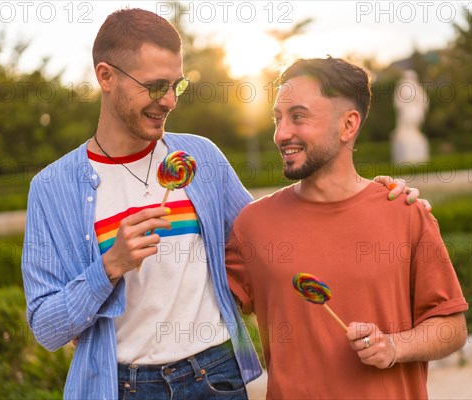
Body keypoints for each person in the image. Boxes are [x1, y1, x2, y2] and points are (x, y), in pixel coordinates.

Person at [21, 9, 422, 399]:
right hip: (123, 387)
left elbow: (272, 236)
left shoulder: (202, 158)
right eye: (155, 86)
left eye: (175, 86)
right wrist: (108, 268)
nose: (169, 101)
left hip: (215, 376)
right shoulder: (54, 188)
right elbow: (47, 327)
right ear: (106, 77)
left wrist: (368, 194)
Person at [226, 57, 468, 399]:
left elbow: (452, 328)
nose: (282, 134)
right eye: (277, 119)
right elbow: (198, 303)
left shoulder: (405, 213)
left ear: (348, 125)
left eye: (299, 117)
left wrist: (394, 346)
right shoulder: (252, 224)